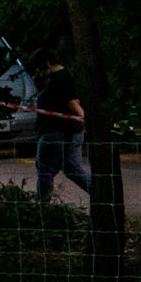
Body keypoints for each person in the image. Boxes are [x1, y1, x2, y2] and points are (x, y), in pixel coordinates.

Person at [33, 58, 90, 199]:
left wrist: (85, 122)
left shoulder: (61, 80)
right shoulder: (60, 79)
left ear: (47, 64)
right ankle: (102, 195)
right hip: (68, 131)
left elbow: (75, 106)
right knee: (73, 169)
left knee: (45, 170)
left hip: (57, 132)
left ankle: (43, 208)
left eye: (38, 69)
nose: (36, 73)